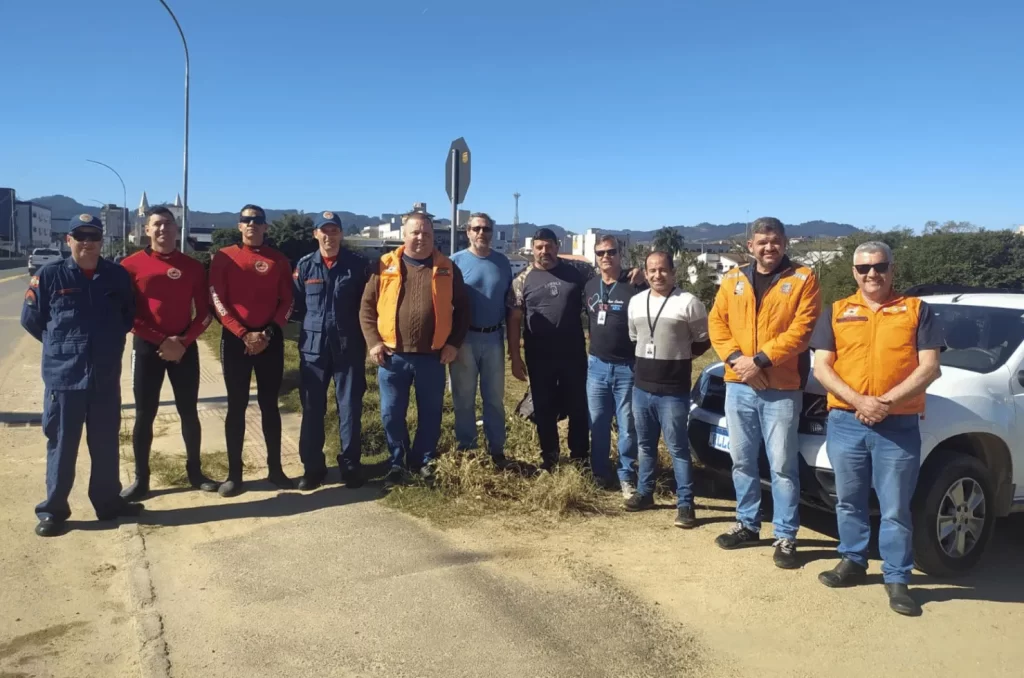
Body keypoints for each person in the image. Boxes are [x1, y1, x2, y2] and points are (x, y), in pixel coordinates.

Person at [811, 241, 942, 617]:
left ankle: (897, 578)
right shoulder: (836, 311)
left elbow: (930, 367)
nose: (872, 274)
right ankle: (852, 561)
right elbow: (822, 368)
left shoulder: (916, 310)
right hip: (846, 423)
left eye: (880, 266)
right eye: (864, 268)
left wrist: (883, 403)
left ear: (892, 269)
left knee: (895, 507)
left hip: (897, 425)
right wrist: (859, 401)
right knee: (848, 499)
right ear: (854, 271)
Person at [708, 216, 821, 569]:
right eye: (761, 241)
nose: (768, 247)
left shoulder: (803, 278)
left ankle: (786, 535)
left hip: (782, 388)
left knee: (782, 465)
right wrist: (738, 361)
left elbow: (803, 330)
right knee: (741, 460)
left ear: (785, 242)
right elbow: (717, 323)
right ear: (750, 246)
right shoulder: (733, 279)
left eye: (775, 241)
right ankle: (747, 523)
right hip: (738, 384)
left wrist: (760, 362)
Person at [20, 214, 140, 536]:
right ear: (68, 240)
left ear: (102, 241)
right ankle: (54, 511)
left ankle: (107, 503)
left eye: (94, 236)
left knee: (105, 443)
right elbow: (32, 321)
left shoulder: (116, 276)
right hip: (65, 378)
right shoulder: (50, 276)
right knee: (62, 444)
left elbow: (128, 316)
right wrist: (62, 348)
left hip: (104, 375)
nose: (88, 242)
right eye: (80, 236)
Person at [359, 212, 470, 489]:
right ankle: (397, 462)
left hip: (432, 357)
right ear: (404, 235)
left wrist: (453, 344)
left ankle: (423, 461)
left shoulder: (447, 267)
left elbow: (463, 310)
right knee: (391, 413)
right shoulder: (384, 265)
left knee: (431, 413)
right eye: (415, 233)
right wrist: (373, 342)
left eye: (426, 234)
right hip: (392, 357)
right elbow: (366, 308)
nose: (421, 238)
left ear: (433, 236)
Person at [120, 207, 217, 501]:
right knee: (144, 415)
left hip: (184, 347)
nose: (163, 229)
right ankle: (141, 479)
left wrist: (184, 341)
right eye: (157, 225)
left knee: (189, 412)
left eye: (169, 224)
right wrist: (161, 340)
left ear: (177, 230)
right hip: (148, 348)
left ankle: (196, 472)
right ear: (146, 230)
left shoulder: (193, 266)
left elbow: (205, 313)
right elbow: (127, 315)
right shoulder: (130, 265)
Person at [209, 204, 295, 496]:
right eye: (246, 220)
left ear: (265, 227)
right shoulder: (224, 257)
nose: (252, 225)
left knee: (270, 405)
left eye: (257, 221)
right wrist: (243, 333)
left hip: (270, 340)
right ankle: (235, 474)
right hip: (236, 340)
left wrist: (268, 332)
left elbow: (287, 301)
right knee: (237, 406)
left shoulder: (279, 260)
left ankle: (276, 470)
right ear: (239, 225)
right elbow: (217, 300)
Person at [625, 251, 711, 526]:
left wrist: (681, 356)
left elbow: (703, 339)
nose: (657, 275)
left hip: (673, 390)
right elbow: (635, 337)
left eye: (662, 270)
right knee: (645, 445)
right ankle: (645, 493)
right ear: (645, 272)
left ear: (673, 272)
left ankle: (686, 504)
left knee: (678, 448)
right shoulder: (636, 302)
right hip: (642, 388)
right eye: (652, 270)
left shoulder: (688, 302)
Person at [290, 211, 371, 491]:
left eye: (334, 230)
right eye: (324, 231)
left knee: (350, 408)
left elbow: (368, 306)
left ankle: (350, 465)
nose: (329, 236)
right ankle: (313, 468)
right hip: (314, 351)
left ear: (341, 234)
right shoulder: (305, 267)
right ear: (315, 234)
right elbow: (296, 306)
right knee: (313, 409)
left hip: (348, 348)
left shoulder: (358, 267)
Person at [507, 228, 589, 472]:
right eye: (540, 247)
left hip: (573, 353)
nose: (545, 251)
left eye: (549, 246)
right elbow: (514, 319)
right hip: (539, 355)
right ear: (533, 249)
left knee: (578, 406)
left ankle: (580, 458)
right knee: (544, 408)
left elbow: (602, 285)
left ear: (557, 246)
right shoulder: (522, 279)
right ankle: (550, 459)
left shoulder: (577, 273)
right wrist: (514, 356)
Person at [449, 213, 514, 468]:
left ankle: (497, 451)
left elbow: (510, 302)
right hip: (464, 339)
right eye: (476, 228)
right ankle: (467, 450)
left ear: (492, 232)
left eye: (486, 229)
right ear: (468, 232)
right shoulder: (455, 262)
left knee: (494, 399)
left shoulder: (503, 263)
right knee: (463, 399)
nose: (481, 233)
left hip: (495, 339)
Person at [584, 235, 644, 493]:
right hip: (596, 366)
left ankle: (626, 476)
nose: (605, 257)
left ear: (620, 254)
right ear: (595, 257)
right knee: (597, 423)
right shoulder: (589, 286)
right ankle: (599, 473)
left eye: (611, 252)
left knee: (627, 426)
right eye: (600, 253)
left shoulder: (635, 284)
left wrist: (642, 274)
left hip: (627, 368)